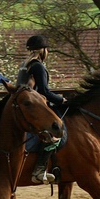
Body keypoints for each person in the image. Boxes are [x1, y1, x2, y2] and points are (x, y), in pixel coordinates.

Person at [17, 34, 68, 184]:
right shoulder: (38, 66)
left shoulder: (24, 64)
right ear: (43, 50)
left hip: (23, 106)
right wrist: (62, 100)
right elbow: (44, 92)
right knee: (55, 134)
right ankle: (39, 170)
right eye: (47, 50)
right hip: (34, 108)